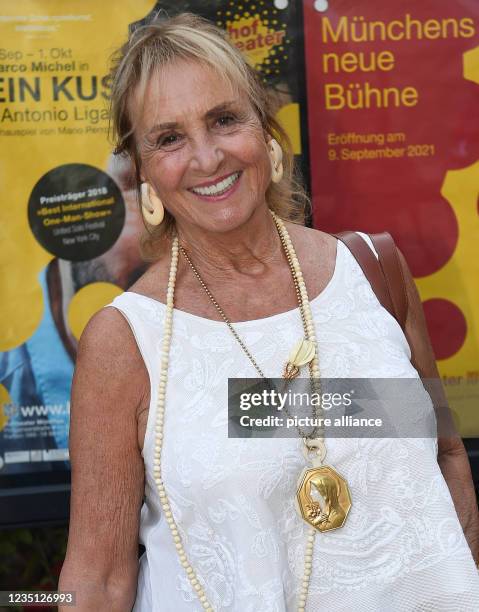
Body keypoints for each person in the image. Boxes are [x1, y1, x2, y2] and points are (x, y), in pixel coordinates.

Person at [59, 13, 479, 611]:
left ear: (266, 130)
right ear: (143, 171)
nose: (206, 158)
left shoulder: (371, 272)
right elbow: (97, 581)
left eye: (224, 120)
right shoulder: (128, 342)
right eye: (169, 138)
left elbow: (444, 455)